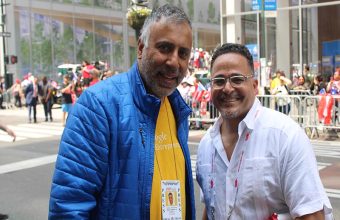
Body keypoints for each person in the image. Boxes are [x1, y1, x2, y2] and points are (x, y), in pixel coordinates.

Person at [49, 4, 195, 219]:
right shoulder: (98, 105)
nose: (174, 62)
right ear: (140, 48)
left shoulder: (176, 107)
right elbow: (69, 207)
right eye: (164, 48)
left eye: (183, 53)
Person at [196, 43, 333, 220]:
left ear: (254, 86)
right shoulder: (206, 145)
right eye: (219, 81)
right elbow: (211, 207)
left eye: (237, 79)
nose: (227, 88)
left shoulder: (285, 136)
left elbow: (312, 215)